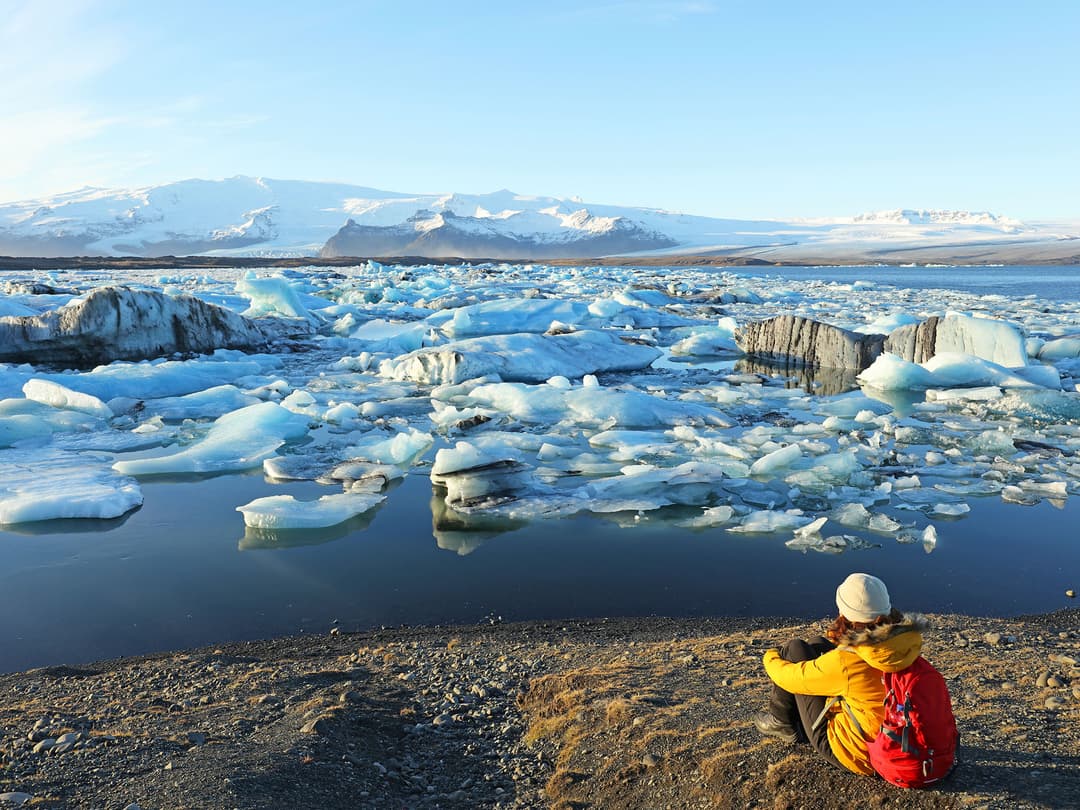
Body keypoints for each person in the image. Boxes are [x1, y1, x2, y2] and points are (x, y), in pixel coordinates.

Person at [753, 572, 929, 776]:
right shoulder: (904, 645)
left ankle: (781, 722)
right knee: (817, 644)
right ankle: (788, 718)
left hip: (860, 754)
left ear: (845, 611)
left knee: (794, 649)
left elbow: (790, 678)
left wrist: (770, 655)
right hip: (899, 737)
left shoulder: (847, 661)